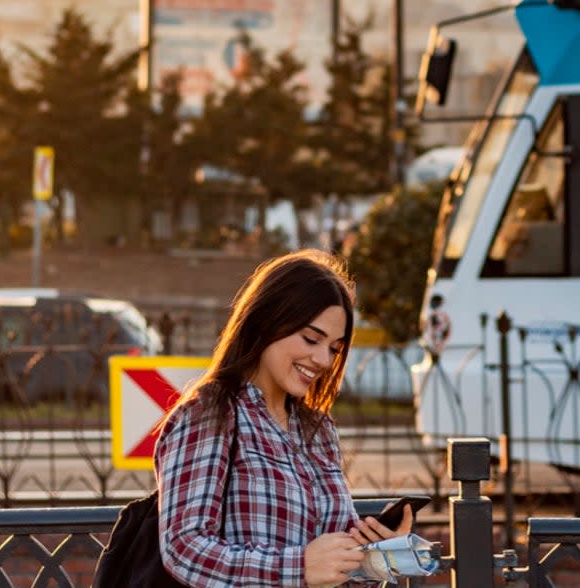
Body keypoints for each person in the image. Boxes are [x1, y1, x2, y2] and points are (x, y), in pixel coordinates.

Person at [154, 249, 414, 587]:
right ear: (266, 321)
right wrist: (299, 567)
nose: (323, 359)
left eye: (335, 349)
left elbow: (332, 570)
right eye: (310, 338)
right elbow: (184, 548)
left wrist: (374, 557)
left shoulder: (317, 430)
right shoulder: (212, 413)